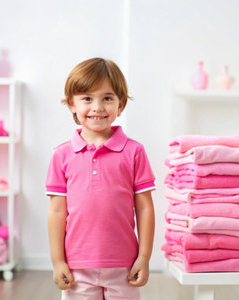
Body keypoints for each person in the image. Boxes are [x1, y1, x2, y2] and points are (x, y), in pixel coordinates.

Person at [46, 57, 155, 299]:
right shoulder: (61, 155)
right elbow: (56, 212)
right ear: (72, 104)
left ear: (121, 104)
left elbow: (145, 207)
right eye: (87, 98)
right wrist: (57, 261)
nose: (97, 107)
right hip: (77, 267)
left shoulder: (134, 151)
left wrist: (144, 257)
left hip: (124, 265)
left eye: (107, 98)